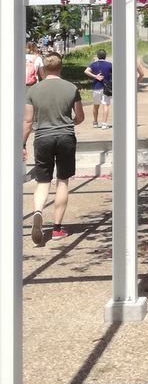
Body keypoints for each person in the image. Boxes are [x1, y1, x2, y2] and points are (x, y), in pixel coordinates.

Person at [23, 51, 85, 245]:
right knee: (63, 181)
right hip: (65, 136)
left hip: (42, 138)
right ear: (60, 67)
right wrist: (70, 121)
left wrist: (22, 144)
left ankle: (38, 212)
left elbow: (27, 121)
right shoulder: (71, 87)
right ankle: (57, 228)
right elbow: (80, 117)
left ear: (44, 68)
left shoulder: (33, 90)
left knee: (43, 181)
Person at [85, 48, 112, 128]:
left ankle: (95, 122)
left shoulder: (94, 64)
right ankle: (104, 124)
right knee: (106, 105)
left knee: (96, 106)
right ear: (105, 56)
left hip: (96, 87)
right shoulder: (109, 64)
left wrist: (95, 76)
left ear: (97, 56)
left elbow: (86, 71)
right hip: (106, 88)